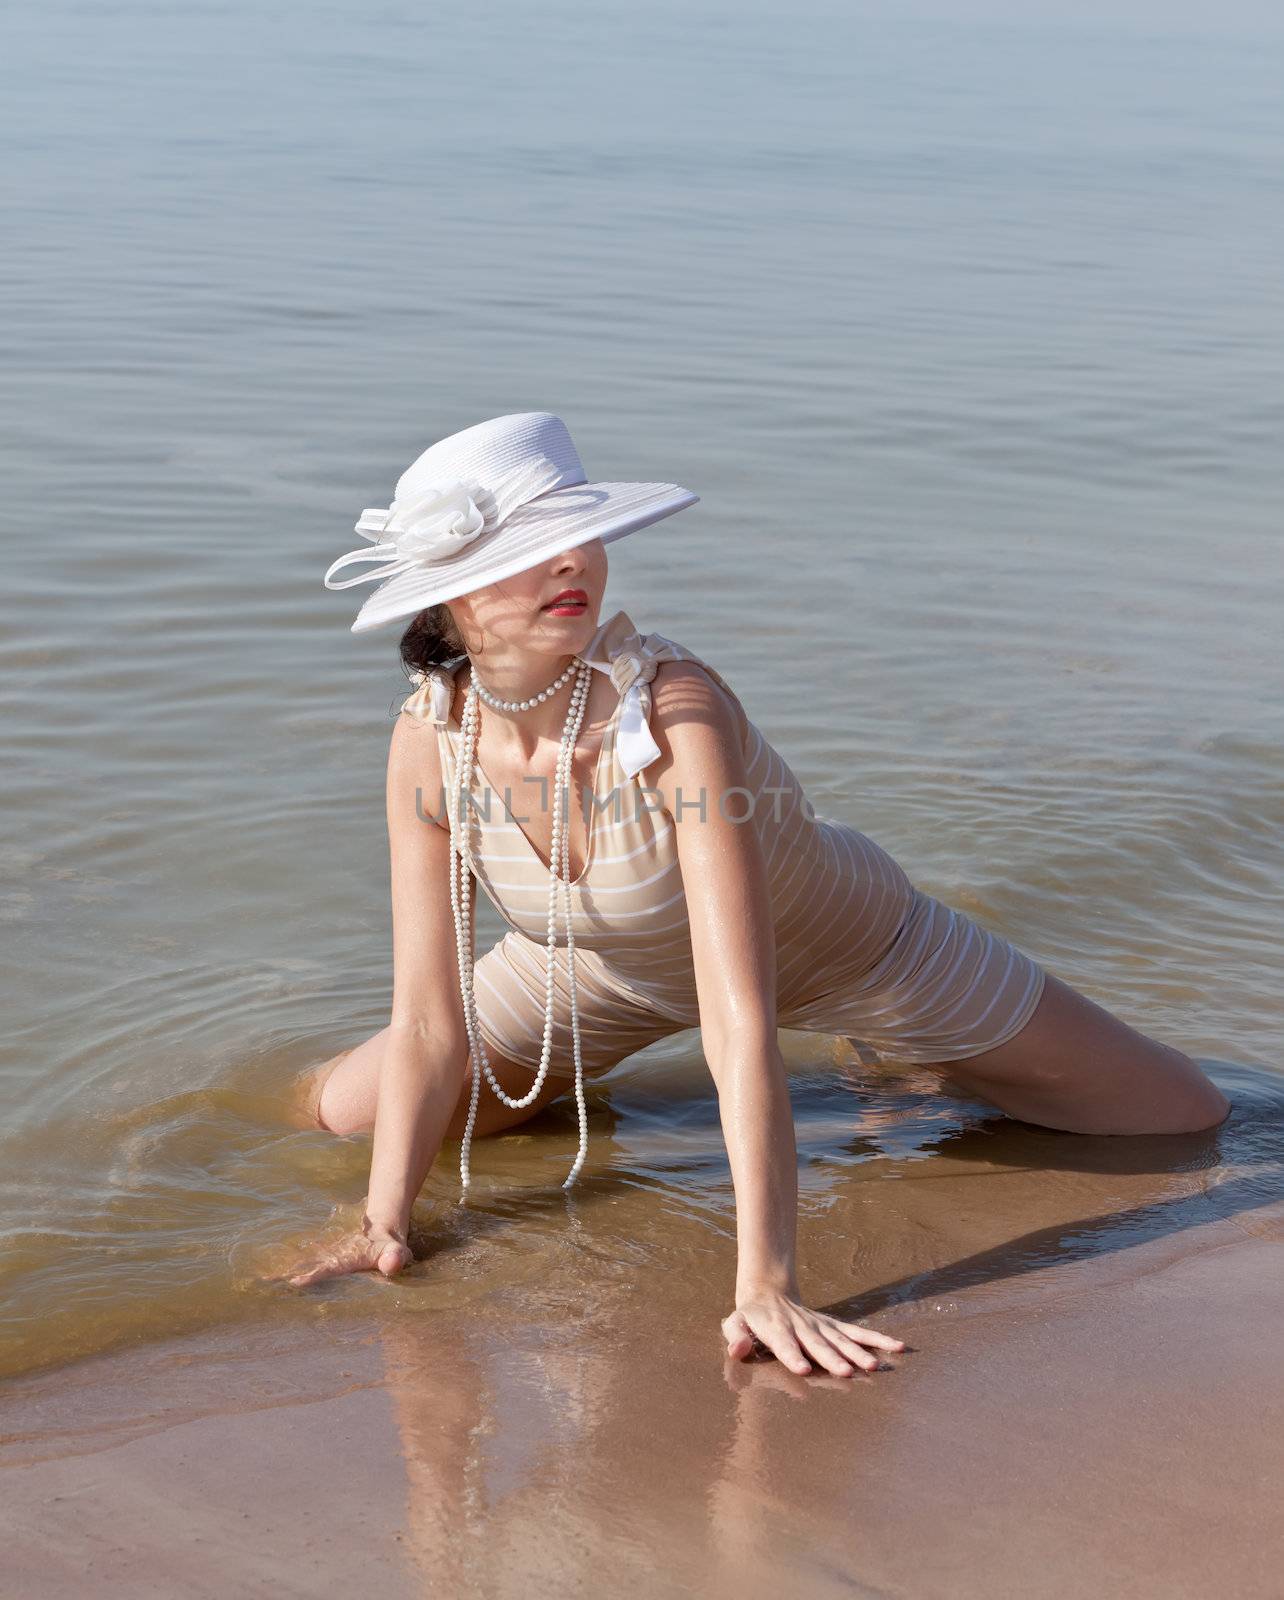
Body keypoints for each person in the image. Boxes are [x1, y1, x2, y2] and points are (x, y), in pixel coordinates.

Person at [285, 411, 1230, 1378]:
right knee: (347, 1116)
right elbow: (428, 1020)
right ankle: (587, 1111)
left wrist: (766, 1284)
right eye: (534, 547)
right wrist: (381, 1226)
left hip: (855, 951)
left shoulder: (673, 711)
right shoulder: (426, 742)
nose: (574, 562)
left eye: (582, 535)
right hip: (602, 962)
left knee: (1177, 1116)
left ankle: (903, 1060)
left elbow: (741, 1018)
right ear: (448, 599)